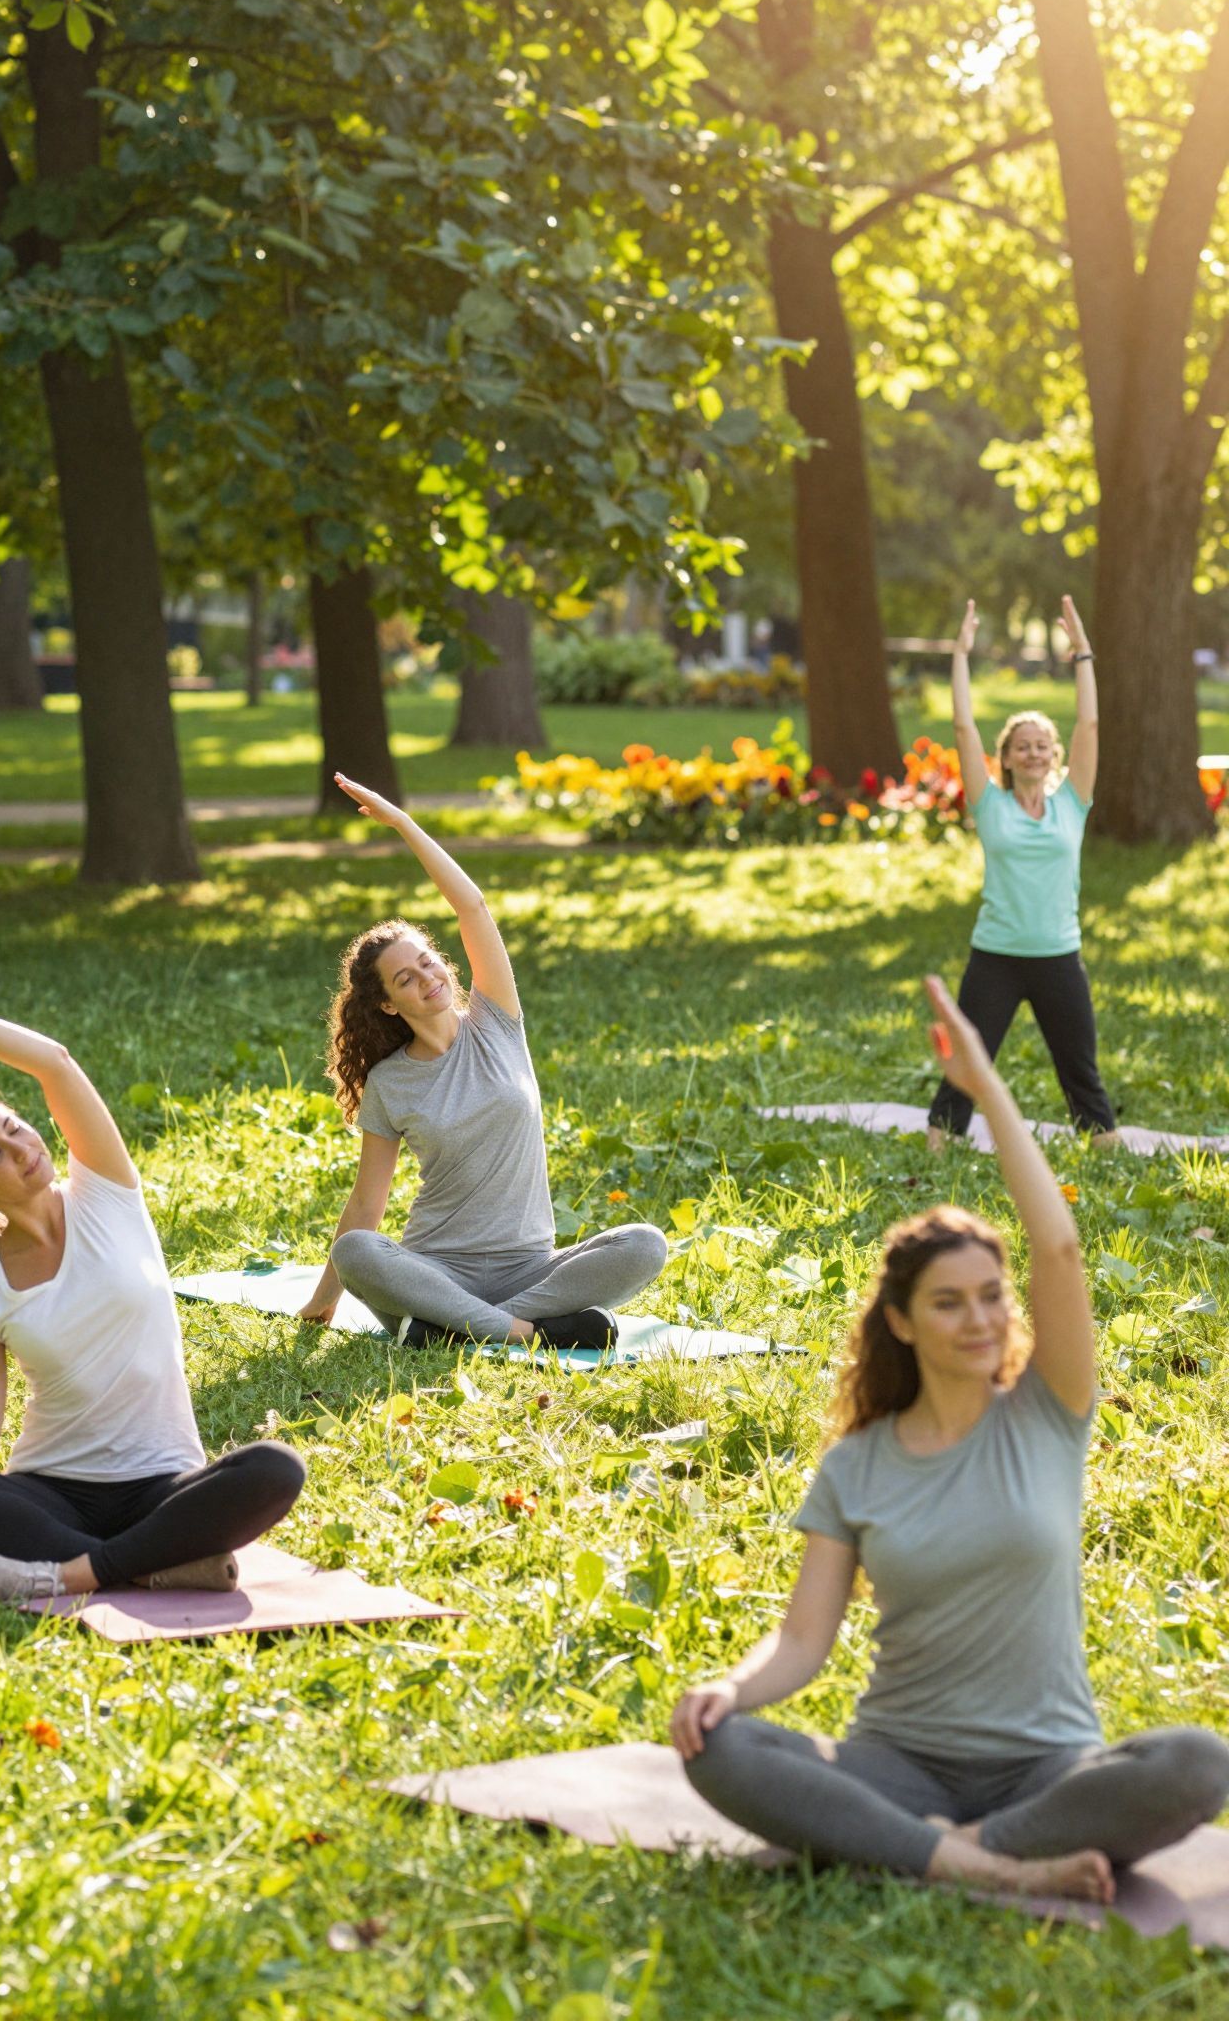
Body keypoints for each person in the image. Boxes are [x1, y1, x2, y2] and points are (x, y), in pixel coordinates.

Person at [673, 977, 1229, 1902]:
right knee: (717, 1745)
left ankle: (941, 1850)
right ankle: (980, 1861)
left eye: (989, 1297)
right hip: (896, 1762)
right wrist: (729, 1688)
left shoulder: (1048, 1412)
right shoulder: (858, 1464)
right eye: (947, 1302)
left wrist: (984, 1083)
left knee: (1197, 1763)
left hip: (1045, 1770)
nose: (978, 1319)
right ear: (900, 1322)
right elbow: (803, 1642)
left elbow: (1057, 1249)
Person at [0, 986, 306, 1603]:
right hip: (50, 1494)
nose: (23, 1150)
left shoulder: (106, 1194)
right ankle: (151, 1564)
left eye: (15, 1128)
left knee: (275, 1469)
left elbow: (54, 1062)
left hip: (160, 1486)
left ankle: (70, 1575)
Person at [296, 774, 667, 1348]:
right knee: (356, 1251)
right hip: (437, 1269)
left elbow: (471, 905)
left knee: (645, 1244)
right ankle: (523, 1331)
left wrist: (403, 823)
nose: (427, 979)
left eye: (427, 962)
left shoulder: (497, 1023)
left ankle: (455, 1330)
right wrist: (324, 1301)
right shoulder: (390, 1084)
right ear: (389, 1005)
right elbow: (368, 1202)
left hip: (531, 1268)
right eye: (405, 979)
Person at [928, 595, 1117, 1147]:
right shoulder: (991, 806)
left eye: (1043, 746)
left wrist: (1083, 654)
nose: (1034, 753)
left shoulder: (1072, 802)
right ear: (1006, 757)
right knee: (968, 1062)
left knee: (1080, 1069)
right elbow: (963, 727)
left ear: (1055, 756)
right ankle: (939, 1147)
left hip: (1059, 955)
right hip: (997, 956)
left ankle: (1106, 1149)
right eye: (1022, 746)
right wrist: (960, 655)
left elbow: (1090, 722)